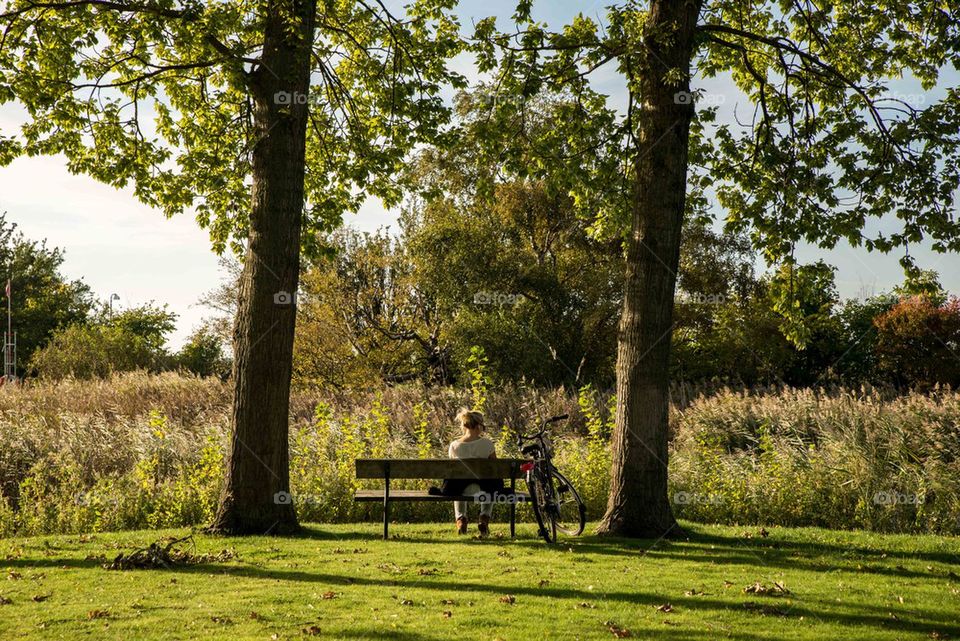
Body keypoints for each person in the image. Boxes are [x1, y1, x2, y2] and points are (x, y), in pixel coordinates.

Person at [448, 408, 497, 536]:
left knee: (458, 481)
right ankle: (484, 518)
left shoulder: (454, 445)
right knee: (490, 483)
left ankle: (461, 519)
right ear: (479, 426)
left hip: (460, 490)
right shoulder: (487, 444)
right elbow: (495, 469)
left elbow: (451, 471)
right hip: (483, 489)